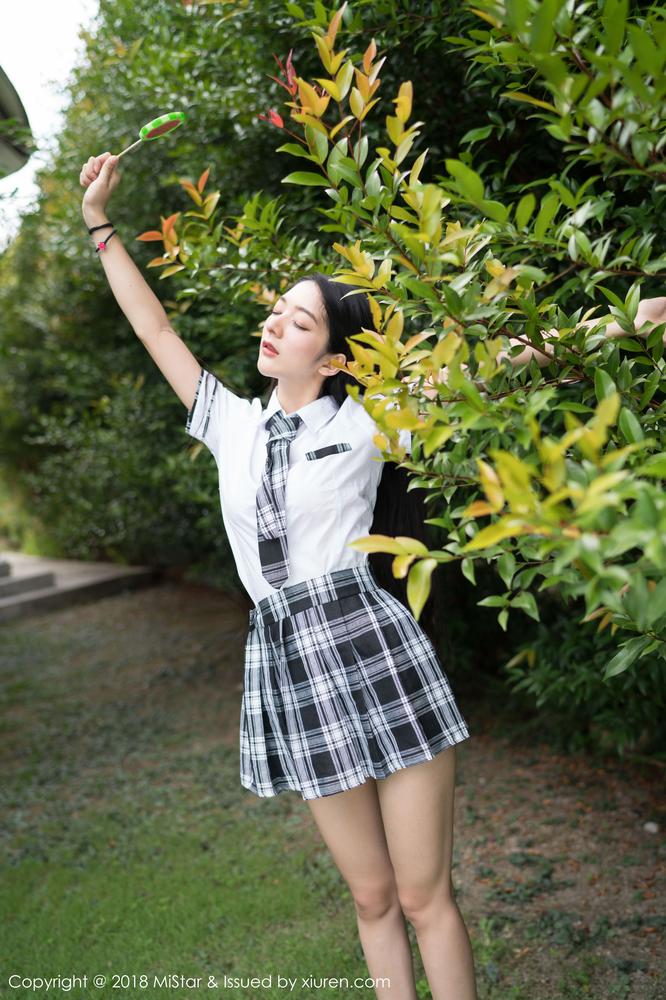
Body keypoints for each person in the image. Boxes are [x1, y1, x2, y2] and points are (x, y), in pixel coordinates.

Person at [80, 151, 665, 1000]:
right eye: (277, 312)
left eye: (300, 322)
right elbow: (156, 332)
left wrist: (630, 320)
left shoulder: (368, 420)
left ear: (334, 358)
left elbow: (506, 362)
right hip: (287, 660)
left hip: (370, 644)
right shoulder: (231, 426)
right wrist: (99, 221)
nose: (275, 325)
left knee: (425, 895)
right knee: (372, 895)